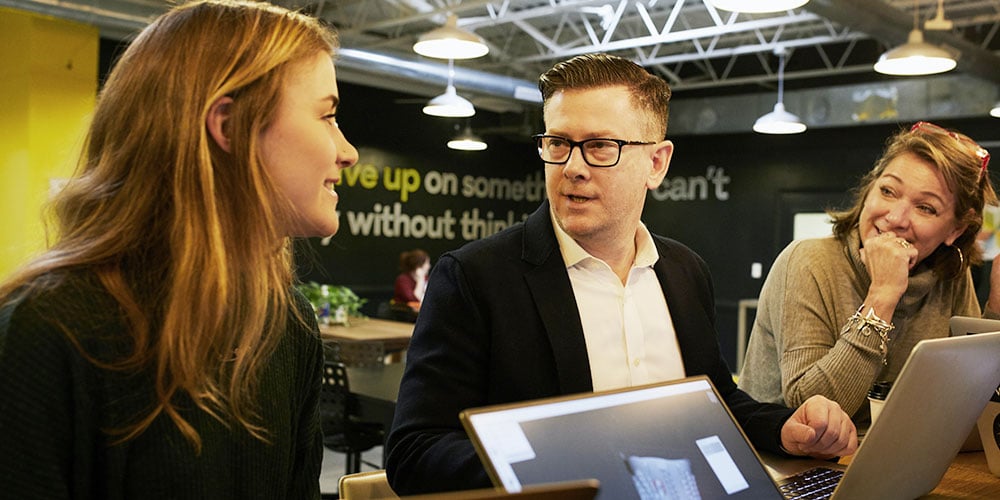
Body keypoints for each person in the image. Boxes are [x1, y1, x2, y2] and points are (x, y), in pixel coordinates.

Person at [385, 53, 857, 495]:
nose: (572, 167)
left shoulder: (685, 272)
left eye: (599, 146)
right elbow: (414, 452)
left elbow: (716, 402)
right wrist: (565, 470)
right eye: (557, 143)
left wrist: (783, 428)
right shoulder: (475, 277)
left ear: (656, 163)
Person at [0, 1, 358, 498]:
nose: (348, 152)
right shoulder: (51, 327)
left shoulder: (289, 323)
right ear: (229, 127)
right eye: (328, 116)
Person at [739, 121, 995, 425]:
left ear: (956, 229)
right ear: (869, 188)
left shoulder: (950, 274)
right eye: (888, 191)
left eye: (925, 208)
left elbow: (969, 400)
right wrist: (883, 295)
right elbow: (812, 410)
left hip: (889, 454)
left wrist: (997, 311)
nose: (896, 218)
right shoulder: (808, 261)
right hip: (786, 463)